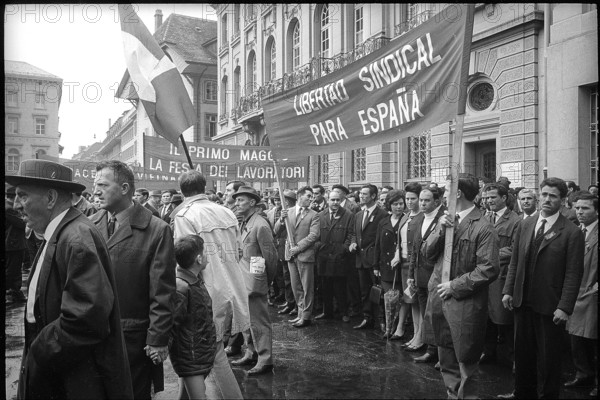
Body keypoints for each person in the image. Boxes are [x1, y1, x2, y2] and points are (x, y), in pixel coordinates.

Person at [9, 159, 133, 399]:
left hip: (72, 382)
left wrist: (38, 350)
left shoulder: (75, 238)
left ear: (51, 198)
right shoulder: (62, 233)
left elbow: (85, 320)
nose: (16, 205)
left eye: (23, 196)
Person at [91, 160, 176, 400]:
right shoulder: (91, 223)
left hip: (133, 339)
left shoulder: (157, 230)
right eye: (95, 184)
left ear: (125, 188)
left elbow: (163, 291)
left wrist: (158, 338)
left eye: (102, 185)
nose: (96, 191)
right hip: (94, 334)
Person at [501, 177, 584, 399]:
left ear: (563, 200)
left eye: (553, 196)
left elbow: (573, 273)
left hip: (550, 306)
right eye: (544, 194)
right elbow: (515, 261)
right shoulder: (526, 224)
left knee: (548, 361)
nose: (547, 199)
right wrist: (508, 290)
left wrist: (565, 307)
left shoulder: (571, 232)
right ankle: (522, 393)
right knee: (523, 356)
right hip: (522, 302)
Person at [173, 171, 249, 399]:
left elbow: (186, 260)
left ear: (181, 190)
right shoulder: (226, 211)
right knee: (191, 352)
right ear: (204, 186)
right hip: (230, 285)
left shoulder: (185, 216)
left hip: (202, 291)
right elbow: (237, 250)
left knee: (212, 352)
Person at [423, 174, 499, 399]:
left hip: (464, 302)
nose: (444, 196)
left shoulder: (483, 227)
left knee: (465, 360)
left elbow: (488, 269)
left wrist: (454, 286)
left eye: (447, 191)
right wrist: (440, 230)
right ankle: (452, 395)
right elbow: (427, 254)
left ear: (458, 193)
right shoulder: (445, 220)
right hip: (439, 297)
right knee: (445, 356)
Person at [230, 186, 278, 375]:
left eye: (241, 200)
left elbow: (271, 258)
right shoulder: (244, 222)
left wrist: (266, 281)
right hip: (243, 281)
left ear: (252, 202)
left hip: (255, 282)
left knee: (259, 321)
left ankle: (265, 359)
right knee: (246, 320)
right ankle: (251, 352)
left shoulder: (261, 225)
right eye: (237, 200)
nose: (237, 203)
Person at [169, 235, 217, 400]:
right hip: (191, 357)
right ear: (198, 259)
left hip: (197, 354)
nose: (207, 256)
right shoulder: (182, 287)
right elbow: (171, 324)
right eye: (206, 253)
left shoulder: (194, 281)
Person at [480, 183, 521, 367]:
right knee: (486, 317)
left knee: (505, 319)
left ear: (504, 198)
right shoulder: (484, 217)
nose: (489, 201)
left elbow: (515, 249)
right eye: (487, 198)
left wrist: (491, 256)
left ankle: (514, 358)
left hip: (502, 276)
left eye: (493, 197)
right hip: (484, 276)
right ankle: (488, 352)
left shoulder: (515, 220)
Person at [407, 186, 445, 361]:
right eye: (421, 200)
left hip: (436, 276)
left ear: (437, 202)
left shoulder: (443, 219)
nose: (422, 203)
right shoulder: (419, 219)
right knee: (425, 314)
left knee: (438, 315)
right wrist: (410, 275)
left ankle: (443, 353)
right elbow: (414, 249)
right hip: (420, 275)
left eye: (426, 200)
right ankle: (431, 350)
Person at [564, 192, 597, 396]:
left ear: (596, 210)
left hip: (593, 292)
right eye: (577, 208)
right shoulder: (577, 231)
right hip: (576, 292)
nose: (580, 212)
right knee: (577, 338)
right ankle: (583, 374)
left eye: (585, 208)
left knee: (594, 339)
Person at [274, 186, 320, 328]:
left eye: (312, 196)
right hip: (291, 255)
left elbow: (314, 235)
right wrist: (281, 220)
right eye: (308, 196)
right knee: (295, 286)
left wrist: (298, 248)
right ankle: (300, 313)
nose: (311, 199)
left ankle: (306, 316)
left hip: (305, 255)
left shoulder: (314, 215)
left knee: (307, 287)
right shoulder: (288, 212)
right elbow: (276, 230)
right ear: (299, 196)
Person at [350, 184, 388, 331]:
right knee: (365, 290)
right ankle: (367, 318)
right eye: (360, 194)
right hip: (360, 259)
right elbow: (355, 233)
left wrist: (377, 259)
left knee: (379, 291)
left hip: (374, 259)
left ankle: (382, 320)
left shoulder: (382, 214)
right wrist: (353, 243)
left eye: (365, 194)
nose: (361, 196)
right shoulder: (358, 214)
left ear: (373, 196)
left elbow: (381, 239)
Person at [314, 189, 355, 322]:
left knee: (340, 287)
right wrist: (320, 247)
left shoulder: (348, 214)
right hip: (324, 256)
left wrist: (343, 249)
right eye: (332, 200)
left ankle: (344, 312)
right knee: (325, 286)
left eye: (338, 200)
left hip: (340, 257)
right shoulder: (321, 215)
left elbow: (351, 234)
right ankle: (327, 312)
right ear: (328, 200)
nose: (335, 202)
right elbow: (316, 234)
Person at [390, 183, 422, 346]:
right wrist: (397, 255)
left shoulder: (423, 217)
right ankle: (411, 333)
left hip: (415, 266)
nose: (409, 202)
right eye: (407, 199)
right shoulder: (405, 216)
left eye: (413, 199)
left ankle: (418, 336)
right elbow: (399, 242)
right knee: (407, 300)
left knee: (416, 302)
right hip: (402, 265)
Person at [375, 190, 404, 338]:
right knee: (387, 297)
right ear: (389, 205)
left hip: (400, 266)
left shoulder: (406, 220)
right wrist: (376, 266)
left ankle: (398, 327)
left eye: (401, 204)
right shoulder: (383, 221)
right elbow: (378, 245)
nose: (398, 207)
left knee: (400, 299)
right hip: (385, 266)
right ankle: (387, 326)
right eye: (395, 204)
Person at [274, 190, 299, 316]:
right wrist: (282, 220)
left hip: (296, 249)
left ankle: (297, 304)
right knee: (287, 278)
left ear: (288, 202)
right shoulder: (284, 213)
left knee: (296, 280)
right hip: (284, 249)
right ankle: (289, 302)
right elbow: (276, 230)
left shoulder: (298, 212)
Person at [5, 185, 27, 303]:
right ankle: (13, 292)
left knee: (14, 270)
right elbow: (22, 223)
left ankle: (16, 292)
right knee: (12, 270)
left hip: (13, 243)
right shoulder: (9, 207)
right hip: (13, 244)